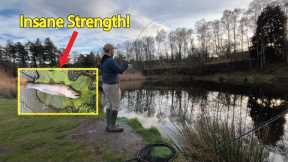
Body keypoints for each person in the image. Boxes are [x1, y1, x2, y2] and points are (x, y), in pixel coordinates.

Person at [100, 43, 128, 132]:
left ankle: (109, 125)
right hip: (112, 86)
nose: (114, 51)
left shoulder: (103, 61)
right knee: (115, 105)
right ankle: (112, 126)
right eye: (113, 50)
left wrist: (119, 64)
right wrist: (125, 64)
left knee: (109, 104)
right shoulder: (110, 60)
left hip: (105, 85)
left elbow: (113, 70)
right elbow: (120, 70)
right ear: (110, 50)